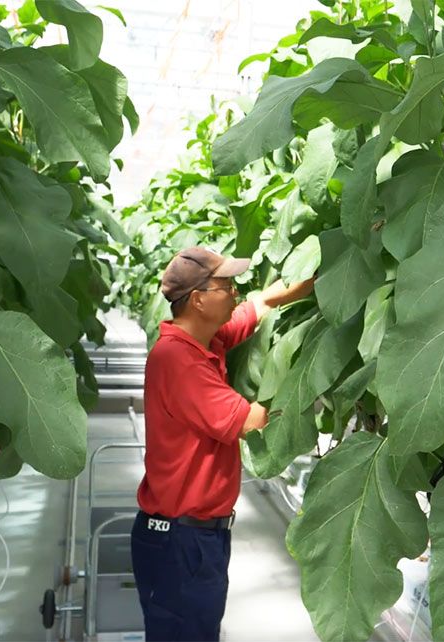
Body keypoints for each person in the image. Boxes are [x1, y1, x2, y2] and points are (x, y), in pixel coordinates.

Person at [130, 246, 315, 641]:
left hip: (192, 537)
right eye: (226, 286)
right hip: (180, 541)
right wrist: (314, 377)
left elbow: (260, 303)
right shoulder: (177, 360)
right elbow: (250, 420)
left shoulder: (203, 340)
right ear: (198, 300)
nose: (235, 292)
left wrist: (315, 277)